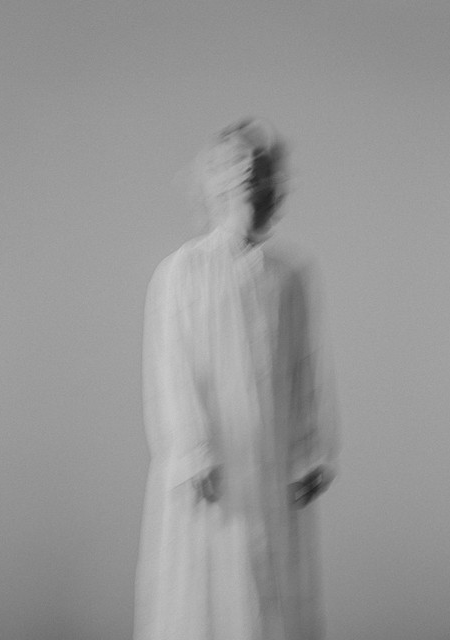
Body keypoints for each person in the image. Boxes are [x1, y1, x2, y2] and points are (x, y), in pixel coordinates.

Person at [133, 118, 339, 640]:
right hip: (214, 468)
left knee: (270, 586)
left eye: (258, 169)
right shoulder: (182, 272)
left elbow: (304, 369)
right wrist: (192, 450)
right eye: (233, 167)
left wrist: (309, 451)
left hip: (270, 463)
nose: (247, 177)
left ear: (273, 185)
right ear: (213, 182)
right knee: (208, 585)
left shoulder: (289, 278)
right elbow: (172, 368)